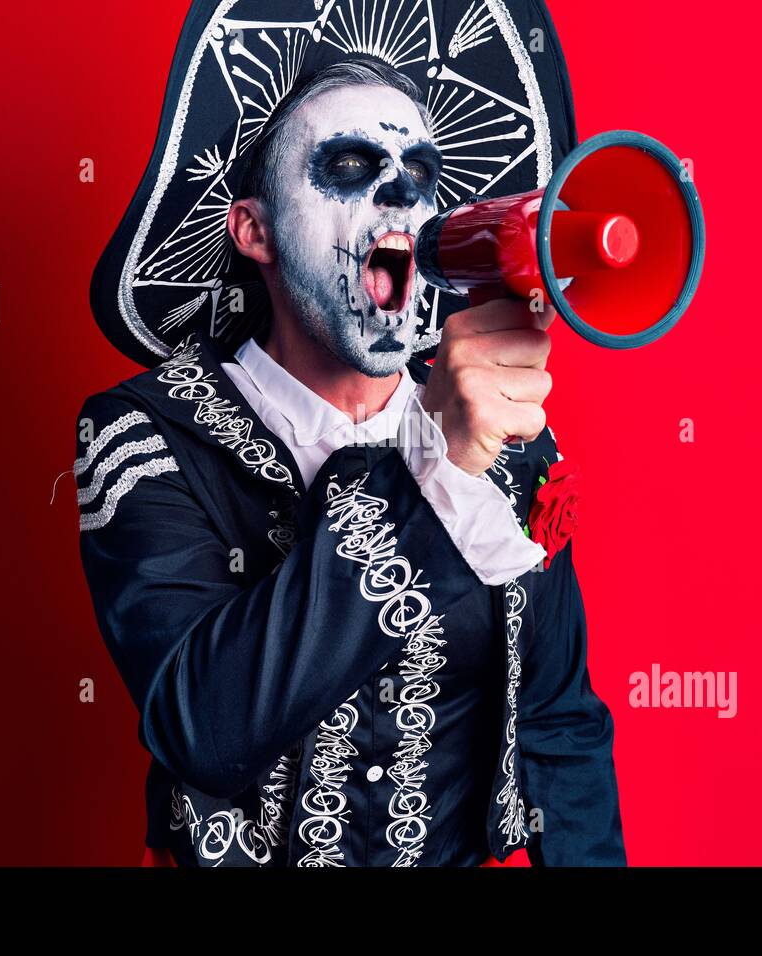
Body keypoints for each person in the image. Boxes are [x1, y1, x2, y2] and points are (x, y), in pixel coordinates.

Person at [75, 57, 625, 866]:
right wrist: (435, 467)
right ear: (254, 230)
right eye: (349, 168)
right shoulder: (145, 435)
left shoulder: (512, 439)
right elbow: (204, 727)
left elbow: (557, 724)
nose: (402, 193)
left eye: (422, 173)